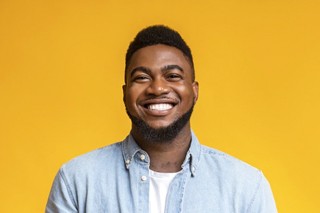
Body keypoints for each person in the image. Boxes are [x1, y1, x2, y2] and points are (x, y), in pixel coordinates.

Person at [46, 25, 277, 213]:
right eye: (142, 77)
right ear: (125, 93)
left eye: (173, 76)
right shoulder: (77, 181)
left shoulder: (246, 187)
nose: (157, 87)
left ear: (194, 91)